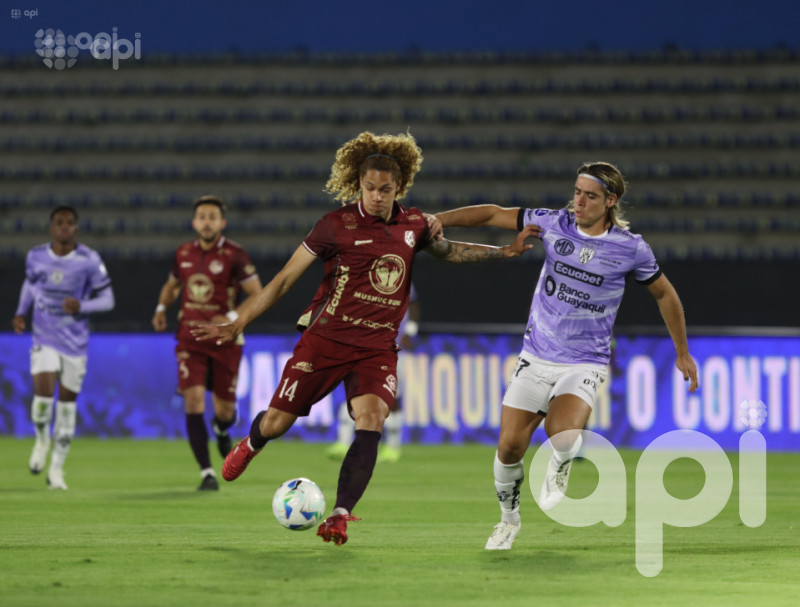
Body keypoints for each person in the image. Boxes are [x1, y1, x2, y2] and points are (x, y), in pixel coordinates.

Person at [192, 131, 537, 545]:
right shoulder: (334, 225)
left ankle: (340, 513)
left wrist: (503, 252)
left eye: (385, 189)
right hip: (325, 342)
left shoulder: (414, 226)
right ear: (359, 185)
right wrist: (238, 322)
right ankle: (253, 442)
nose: (376, 196)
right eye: (369, 188)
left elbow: (451, 252)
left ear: (400, 188)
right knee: (277, 422)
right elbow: (284, 281)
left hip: (376, 349)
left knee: (371, 421)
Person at [435, 161, 700, 550]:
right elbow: (493, 213)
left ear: (610, 201)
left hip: (584, 361)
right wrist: (434, 220)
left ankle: (559, 465)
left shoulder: (631, 248)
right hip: (536, 355)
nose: (579, 201)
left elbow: (665, 293)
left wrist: (682, 352)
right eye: (577, 191)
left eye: (590, 196)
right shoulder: (553, 223)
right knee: (509, 447)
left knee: (561, 434)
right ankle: (508, 522)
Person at [152, 195, 262, 491]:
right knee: (194, 400)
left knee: (225, 411)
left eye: (213, 216)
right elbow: (173, 284)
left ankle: (221, 428)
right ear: (194, 222)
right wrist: (162, 308)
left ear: (222, 223)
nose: (207, 221)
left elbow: (257, 294)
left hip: (226, 339)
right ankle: (207, 473)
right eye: (202, 216)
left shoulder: (236, 255)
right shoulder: (184, 252)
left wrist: (228, 317)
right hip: (190, 338)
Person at [12, 206, 115, 490]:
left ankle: (56, 470)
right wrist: (22, 312)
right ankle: (42, 438)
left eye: (70, 223)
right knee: (43, 401)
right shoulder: (35, 256)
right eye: (60, 222)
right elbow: (30, 286)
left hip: (75, 344)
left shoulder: (88, 260)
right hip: (44, 337)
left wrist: (83, 305)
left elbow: (108, 299)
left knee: (67, 408)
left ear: (76, 228)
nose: (65, 227)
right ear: (52, 227)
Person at [326, 281, 420, 463]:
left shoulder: (400, 269)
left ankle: (393, 446)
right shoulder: (362, 271)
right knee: (355, 388)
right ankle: (343, 442)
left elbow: (413, 302)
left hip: (394, 345)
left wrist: (411, 330)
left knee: (392, 396)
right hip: (366, 343)